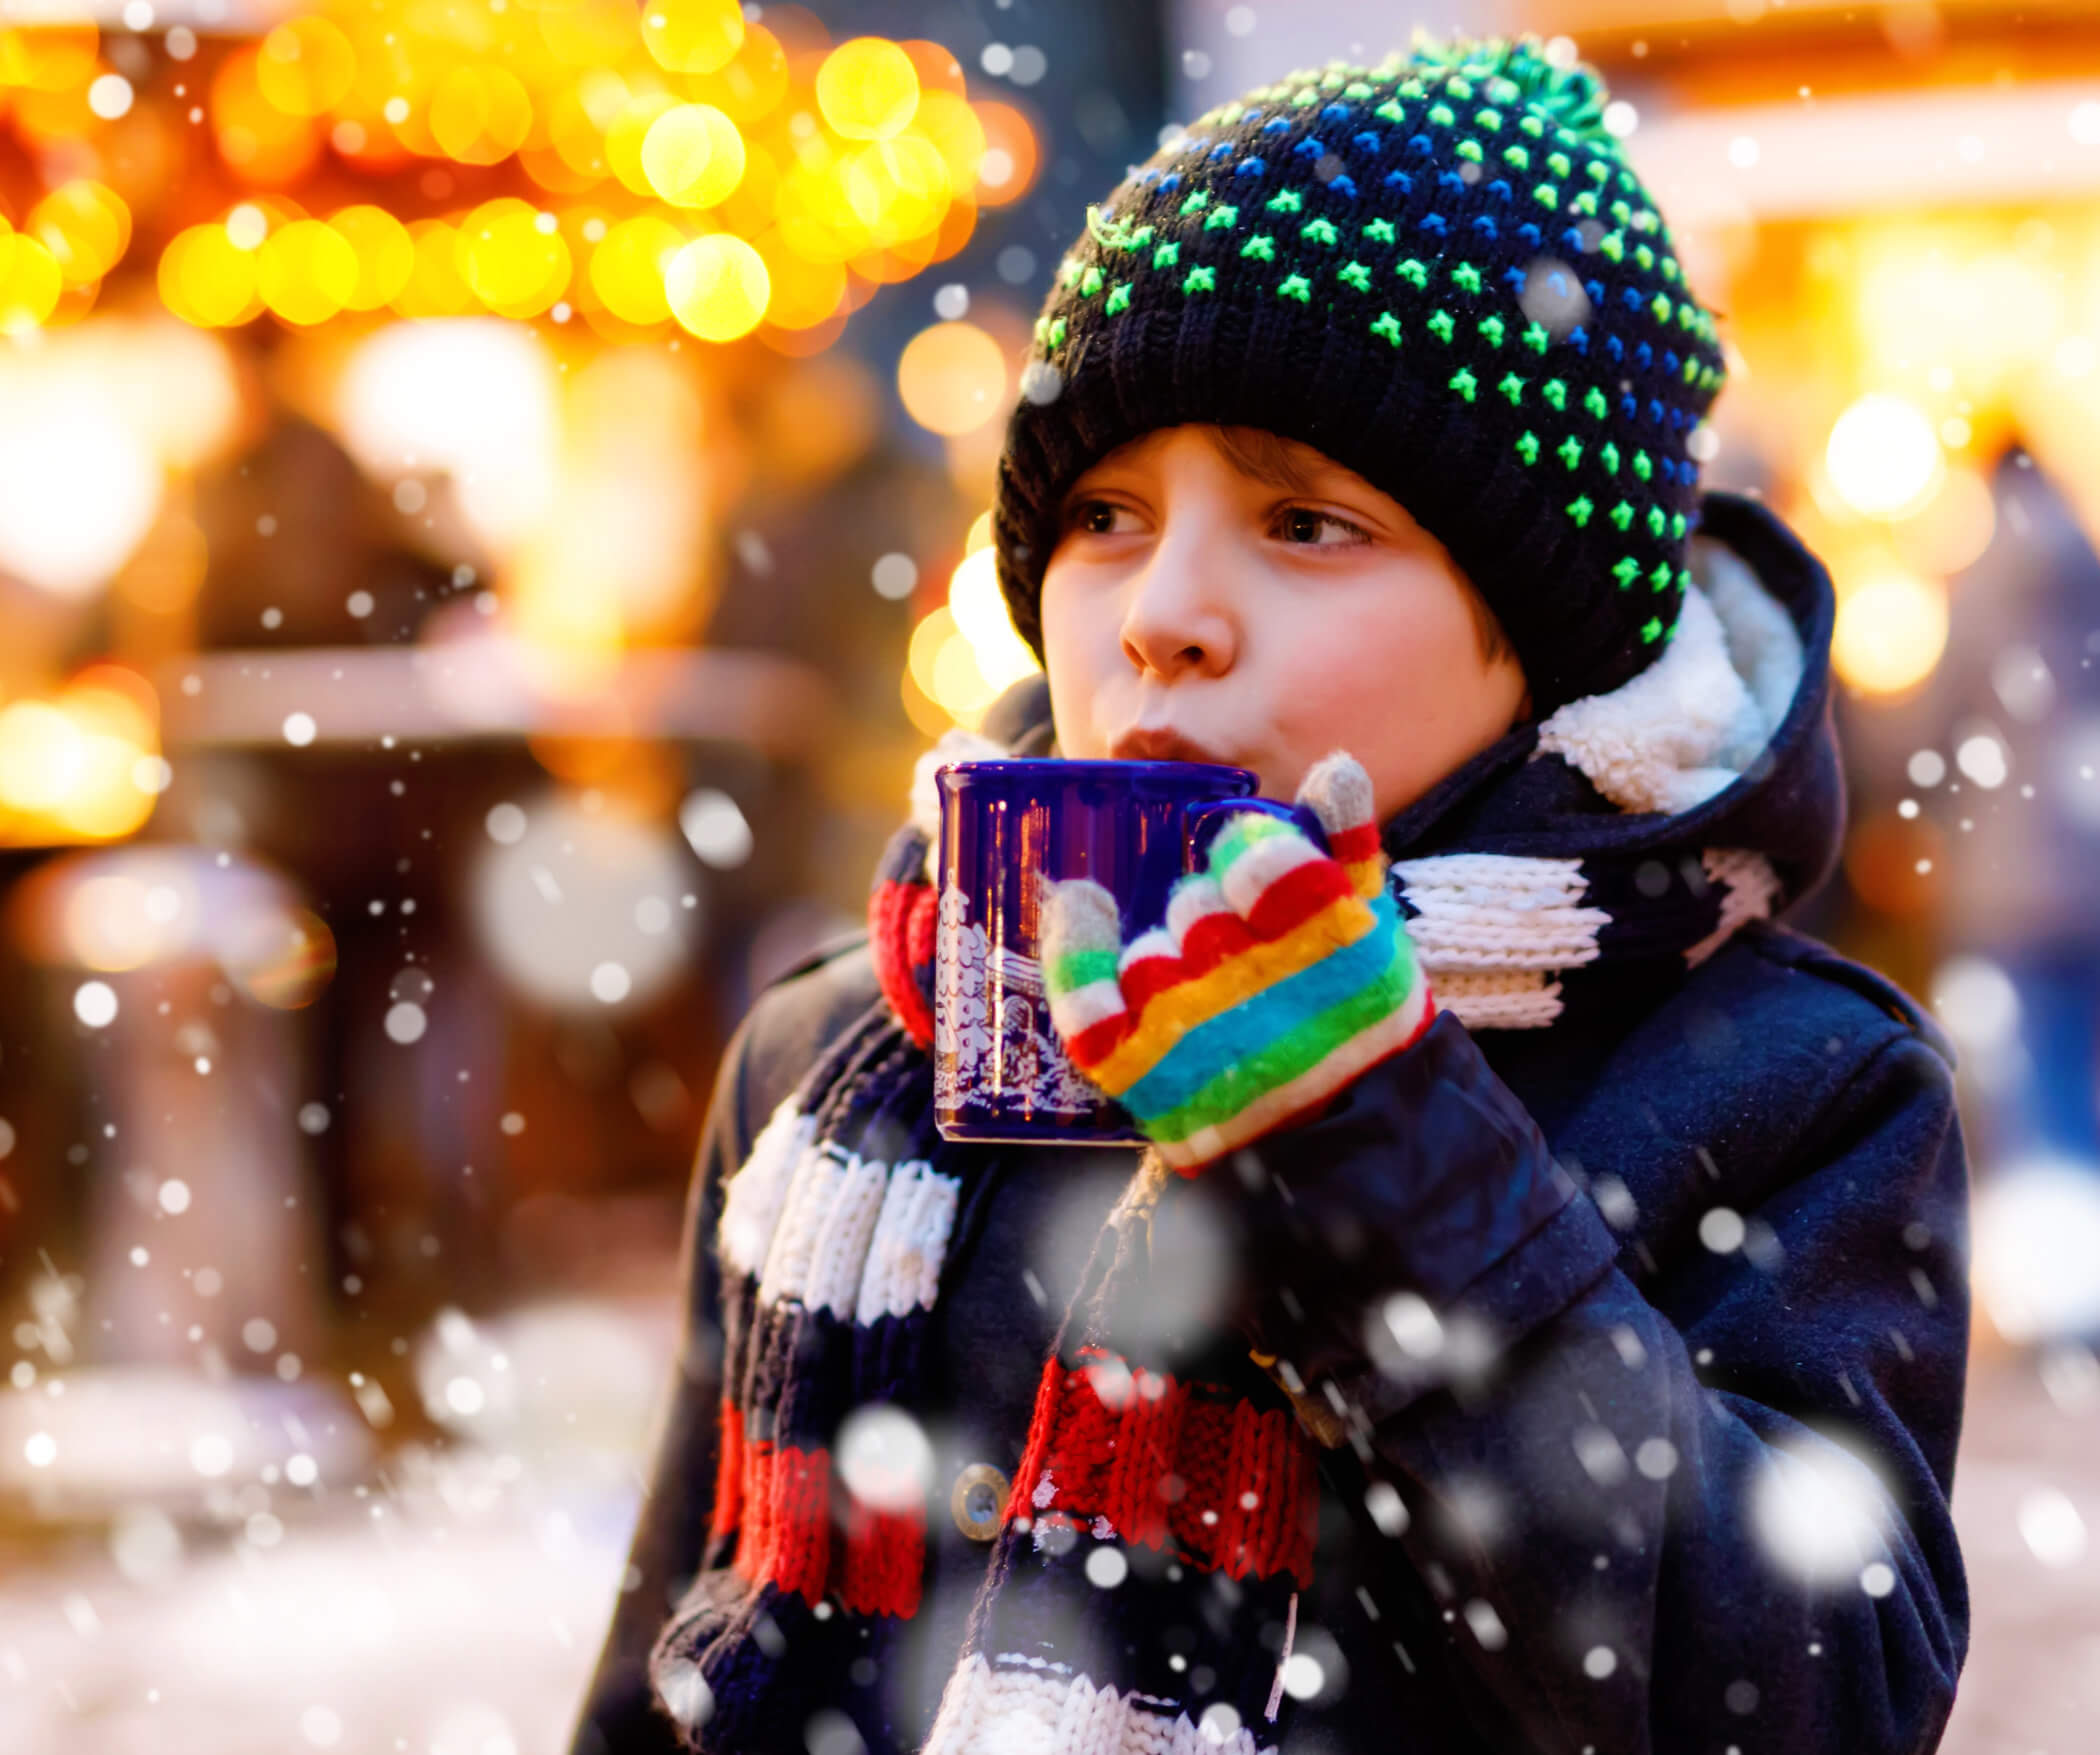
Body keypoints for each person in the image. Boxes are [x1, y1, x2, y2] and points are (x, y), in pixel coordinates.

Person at [568, 35, 1969, 1755]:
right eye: (1102, 513)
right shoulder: (847, 1058)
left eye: (1306, 523)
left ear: (1545, 640)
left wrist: (1373, 1146)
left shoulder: (1779, 1088)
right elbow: (679, 1671)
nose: (1164, 610)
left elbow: (1809, 1705)